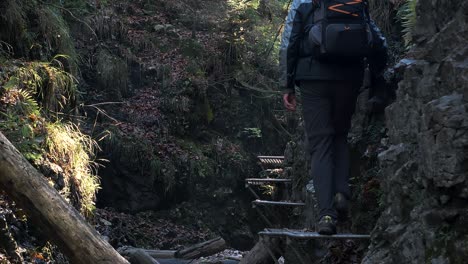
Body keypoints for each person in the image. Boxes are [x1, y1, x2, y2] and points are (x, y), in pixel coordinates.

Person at [279, 0, 388, 235]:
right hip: (349, 78)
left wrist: (287, 85)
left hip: (313, 80)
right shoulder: (355, 2)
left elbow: (289, 43)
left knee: (320, 144)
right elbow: (377, 39)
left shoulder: (303, 3)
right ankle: (341, 193)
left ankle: (326, 214)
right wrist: (378, 79)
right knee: (340, 135)